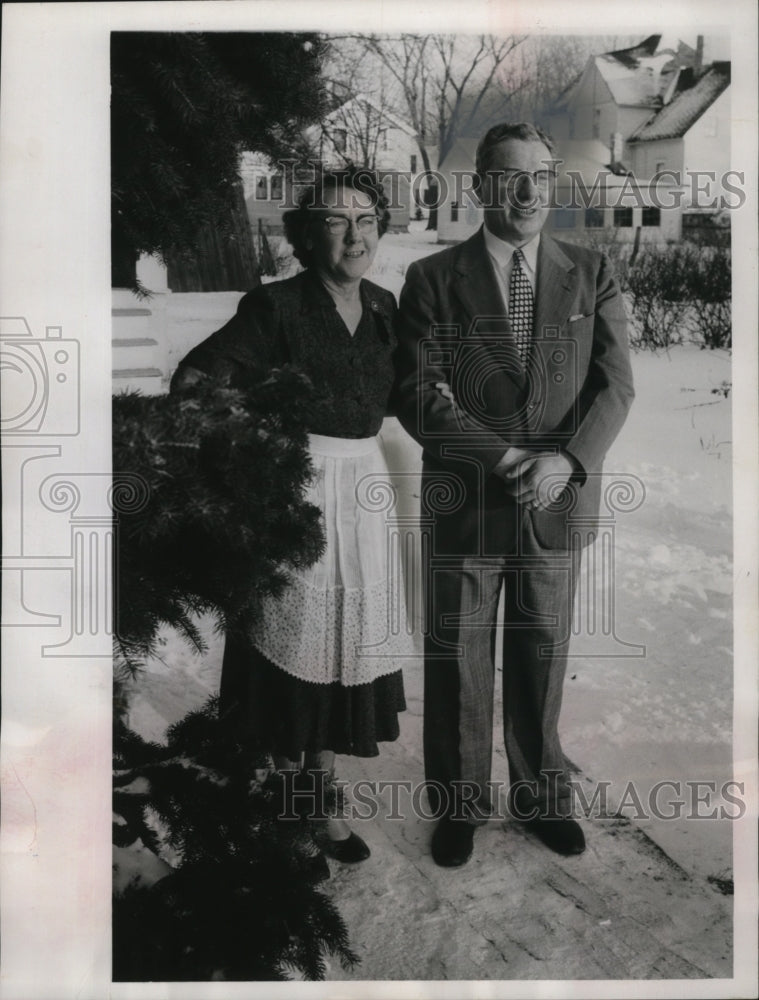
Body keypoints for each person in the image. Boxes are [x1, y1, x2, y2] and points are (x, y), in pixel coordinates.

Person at [394, 122, 635, 866]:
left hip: (556, 503)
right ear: (480, 188)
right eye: (509, 176)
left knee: (541, 657)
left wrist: (566, 461)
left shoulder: (591, 271)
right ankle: (459, 804)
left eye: (540, 175)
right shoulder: (432, 278)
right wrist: (503, 456)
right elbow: (417, 392)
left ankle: (540, 797)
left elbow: (614, 387)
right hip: (467, 501)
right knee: (457, 661)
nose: (528, 192)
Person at [171, 167, 411, 864]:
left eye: (365, 220)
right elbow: (197, 379)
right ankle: (285, 805)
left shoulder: (385, 306)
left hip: (363, 492)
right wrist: (248, 461)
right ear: (306, 237)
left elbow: (403, 391)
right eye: (335, 221)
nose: (354, 235)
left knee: (341, 648)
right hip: (297, 496)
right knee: (292, 647)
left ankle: (321, 797)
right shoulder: (275, 307)